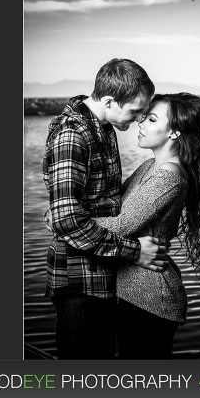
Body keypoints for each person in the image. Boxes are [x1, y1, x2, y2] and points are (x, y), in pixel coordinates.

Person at [43, 58, 167, 359]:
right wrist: (134, 251)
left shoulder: (104, 127)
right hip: (78, 281)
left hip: (100, 274)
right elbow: (68, 220)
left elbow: (99, 203)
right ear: (110, 101)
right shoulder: (73, 135)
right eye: (136, 111)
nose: (139, 119)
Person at [92, 93, 200, 358]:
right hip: (133, 292)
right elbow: (113, 208)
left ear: (173, 133)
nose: (141, 123)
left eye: (151, 119)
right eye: (144, 117)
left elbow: (120, 224)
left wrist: (66, 222)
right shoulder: (150, 166)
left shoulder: (169, 177)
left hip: (150, 297)